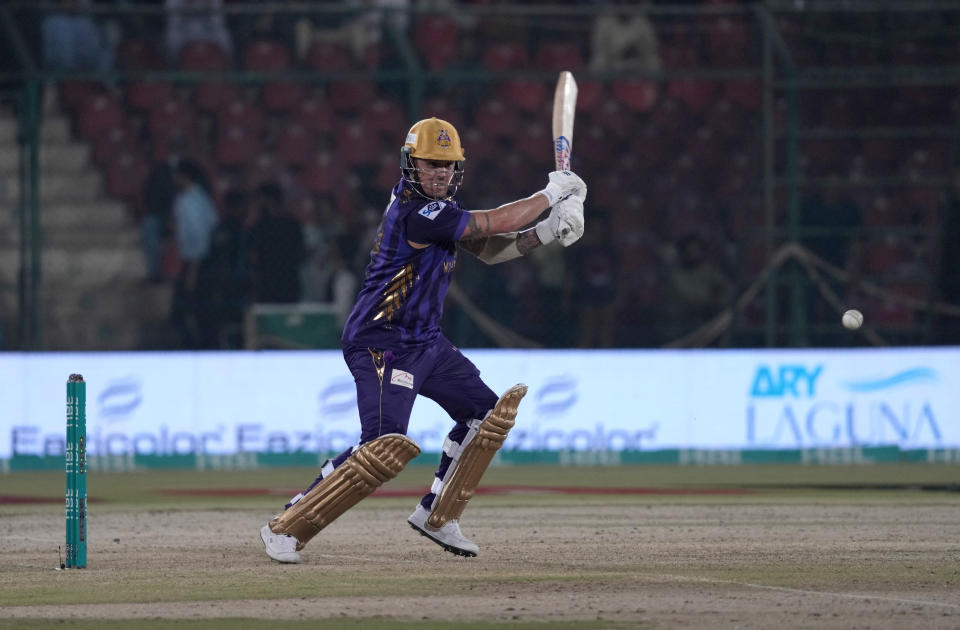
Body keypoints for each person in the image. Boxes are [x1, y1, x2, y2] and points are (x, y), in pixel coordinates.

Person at [259, 117, 586, 562]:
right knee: (381, 447)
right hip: (381, 343)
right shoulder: (417, 213)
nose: (440, 173)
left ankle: (439, 515)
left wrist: (548, 231)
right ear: (410, 163)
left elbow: (491, 249)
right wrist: (551, 195)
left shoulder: (443, 212)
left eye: (448, 166)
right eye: (431, 164)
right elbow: (491, 222)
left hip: (425, 343)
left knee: (486, 416)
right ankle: (287, 526)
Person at [168, 159, 218, 349]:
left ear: (185, 177)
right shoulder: (198, 198)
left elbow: (201, 236)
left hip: (197, 264)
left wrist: (193, 271)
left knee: (185, 312)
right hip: (195, 262)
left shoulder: (192, 201)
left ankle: (197, 350)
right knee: (195, 311)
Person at [249, 182, 306, 304]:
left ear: (269, 200)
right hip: (270, 285)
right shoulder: (291, 224)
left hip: (283, 284)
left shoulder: (290, 225)